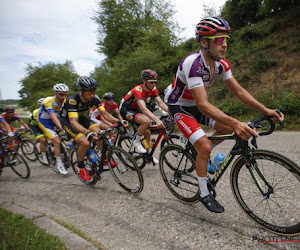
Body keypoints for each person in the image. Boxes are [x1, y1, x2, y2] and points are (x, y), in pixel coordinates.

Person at [166, 16, 284, 213]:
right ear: (204, 42)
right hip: (180, 107)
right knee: (205, 145)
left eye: (226, 39)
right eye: (219, 40)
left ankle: (203, 154)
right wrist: (237, 122)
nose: (225, 45)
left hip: (196, 104)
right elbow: (203, 104)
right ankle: (203, 193)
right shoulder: (193, 64)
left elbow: (239, 92)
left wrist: (266, 110)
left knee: (226, 128)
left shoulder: (221, 64)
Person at [60, 76, 127, 181]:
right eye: (88, 92)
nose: (91, 95)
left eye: (93, 91)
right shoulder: (72, 100)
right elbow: (73, 122)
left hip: (81, 117)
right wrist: (87, 133)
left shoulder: (95, 99)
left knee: (99, 134)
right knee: (85, 142)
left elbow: (105, 114)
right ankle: (81, 167)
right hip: (68, 121)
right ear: (81, 91)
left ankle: (103, 158)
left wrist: (119, 121)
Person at [119, 69, 168, 160]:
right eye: (151, 82)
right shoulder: (137, 90)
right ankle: (136, 142)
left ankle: (148, 155)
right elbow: (144, 109)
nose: (154, 84)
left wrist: (172, 113)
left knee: (147, 132)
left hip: (135, 109)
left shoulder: (153, 89)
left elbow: (160, 103)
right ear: (144, 81)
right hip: (125, 109)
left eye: (155, 82)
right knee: (146, 121)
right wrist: (157, 120)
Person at [38, 83, 69, 175]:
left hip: (55, 118)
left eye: (65, 94)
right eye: (61, 94)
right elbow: (53, 118)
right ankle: (59, 164)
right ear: (55, 93)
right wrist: (63, 129)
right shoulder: (48, 101)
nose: (64, 96)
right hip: (44, 121)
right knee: (57, 141)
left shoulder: (66, 100)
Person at [29, 98, 48, 164]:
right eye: (41, 105)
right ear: (38, 106)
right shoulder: (36, 111)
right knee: (42, 140)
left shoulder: (49, 110)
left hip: (44, 125)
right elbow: (38, 122)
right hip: (35, 126)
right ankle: (44, 156)